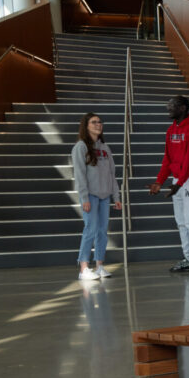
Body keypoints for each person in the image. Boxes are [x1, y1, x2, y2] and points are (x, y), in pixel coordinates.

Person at [149, 95, 189, 275]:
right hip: (178, 179)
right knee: (181, 221)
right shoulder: (171, 130)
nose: (168, 108)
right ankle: (188, 258)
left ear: (182, 108)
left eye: (172, 106)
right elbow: (167, 159)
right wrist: (160, 181)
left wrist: (179, 183)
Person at [71, 113, 122, 281]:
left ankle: (99, 265)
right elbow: (80, 175)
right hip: (91, 196)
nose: (98, 124)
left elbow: (112, 174)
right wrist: (84, 198)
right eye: (94, 122)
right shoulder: (81, 147)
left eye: (100, 122)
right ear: (86, 126)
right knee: (90, 229)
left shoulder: (105, 148)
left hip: (104, 196)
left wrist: (116, 196)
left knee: (102, 231)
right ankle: (84, 267)